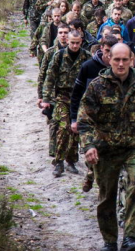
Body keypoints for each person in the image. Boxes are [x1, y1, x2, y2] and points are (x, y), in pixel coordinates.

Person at [78, 43, 135, 251]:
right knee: (107, 196)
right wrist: (89, 145)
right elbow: (84, 120)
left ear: (132, 60)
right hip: (105, 148)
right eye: (116, 59)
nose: (120, 63)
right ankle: (110, 241)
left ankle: (131, 238)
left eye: (124, 59)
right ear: (109, 59)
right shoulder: (97, 86)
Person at [70, 35, 117, 192]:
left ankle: (99, 178)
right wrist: (73, 118)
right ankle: (91, 173)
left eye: (113, 51)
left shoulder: (120, 68)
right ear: (101, 48)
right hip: (91, 117)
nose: (110, 55)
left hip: (112, 119)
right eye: (107, 51)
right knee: (92, 150)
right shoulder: (88, 67)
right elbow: (76, 94)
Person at [42, 29, 91, 177]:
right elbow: (49, 77)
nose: (75, 46)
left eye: (77, 43)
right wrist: (46, 98)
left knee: (75, 130)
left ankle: (71, 160)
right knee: (63, 128)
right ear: (67, 42)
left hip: (80, 98)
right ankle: (58, 161)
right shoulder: (59, 56)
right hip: (62, 97)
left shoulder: (86, 57)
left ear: (81, 42)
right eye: (72, 43)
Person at [37, 24, 70, 157]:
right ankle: (53, 152)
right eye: (61, 32)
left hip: (67, 94)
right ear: (57, 34)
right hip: (51, 93)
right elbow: (42, 75)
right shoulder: (51, 52)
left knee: (66, 125)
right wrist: (41, 96)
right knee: (53, 123)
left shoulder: (74, 51)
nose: (63, 35)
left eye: (65, 32)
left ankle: (66, 154)